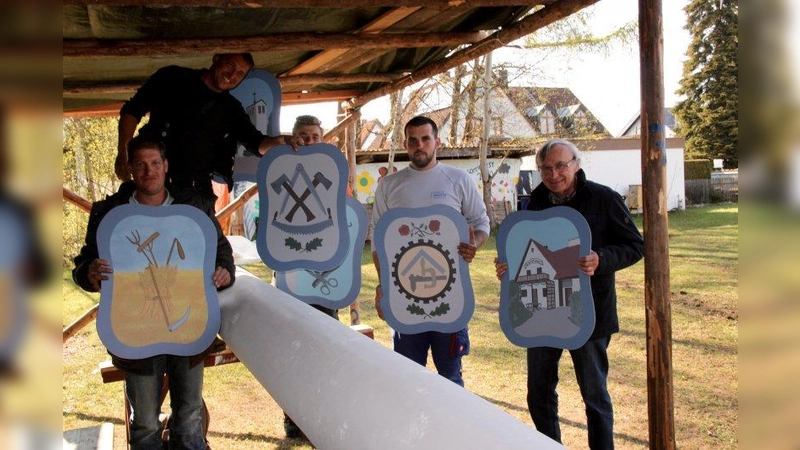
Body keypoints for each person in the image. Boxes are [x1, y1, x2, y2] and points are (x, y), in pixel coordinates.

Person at [74, 136, 235, 449]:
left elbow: (220, 250)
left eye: (155, 163)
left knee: (189, 418)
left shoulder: (193, 206)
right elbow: (83, 264)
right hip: (136, 331)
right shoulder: (111, 214)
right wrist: (89, 272)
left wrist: (224, 270)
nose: (149, 171)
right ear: (131, 170)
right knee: (146, 423)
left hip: (189, 330)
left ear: (166, 166)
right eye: (141, 165)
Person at [495, 138, 644, 449]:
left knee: (594, 396)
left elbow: (635, 246)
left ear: (576, 164)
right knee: (538, 393)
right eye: (546, 168)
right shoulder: (533, 201)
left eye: (561, 165)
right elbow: (525, 249)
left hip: (588, 317)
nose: (554, 173)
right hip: (539, 314)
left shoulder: (603, 198)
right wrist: (508, 269)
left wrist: (601, 259)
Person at [371, 115, 490, 387]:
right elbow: (379, 241)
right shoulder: (389, 185)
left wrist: (475, 244)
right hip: (405, 298)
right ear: (405, 144)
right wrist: (383, 286)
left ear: (437, 141)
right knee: (408, 380)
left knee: (449, 378)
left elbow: (481, 222)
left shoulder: (458, 179)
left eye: (426, 138)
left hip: (451, 298)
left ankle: (452, 430)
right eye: (413, 140)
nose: (419, 145)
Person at [116, 52, 300, 198]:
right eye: (230, 65)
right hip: (154, 184)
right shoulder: (172, 78)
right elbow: (132, 110)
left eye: (240, 74)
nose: (232, 75)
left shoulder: (231, 109)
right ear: (216, 58)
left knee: (210, 245)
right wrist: (124, 154)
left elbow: (257, 143)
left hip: (196, 190)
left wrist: (283, 140)